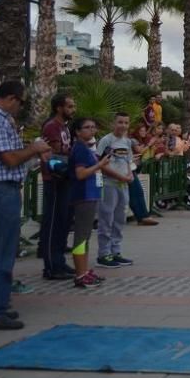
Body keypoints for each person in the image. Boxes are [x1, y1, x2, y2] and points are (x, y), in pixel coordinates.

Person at [0, 81, 52, 330]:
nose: (21, 107)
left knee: (4, 252)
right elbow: (10, 159)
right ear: (12, 98)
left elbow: (12, 160)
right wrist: (33, 148)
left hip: (2, 189)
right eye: (22, 102)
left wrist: (33, 155)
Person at [68, 117, 110, 289]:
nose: (91, 130)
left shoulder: (86, 148)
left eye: (93, 127)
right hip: (83, 195)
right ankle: (80, 274)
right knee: (81, 236)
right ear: (77, 131)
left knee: (85, 236)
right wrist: (100, 165)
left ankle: (84, 270)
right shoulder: (80, 149)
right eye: (87, 127)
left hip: (91, 195)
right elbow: (80, 174)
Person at [38, 93, 76, 281]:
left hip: (65, 178)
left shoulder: (65, 127)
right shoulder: (52, 126)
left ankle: (59, 260)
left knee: (64, 222)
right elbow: (54, 152)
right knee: (53, 222)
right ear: (59, 108)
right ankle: (51, 266)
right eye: (69, 106)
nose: (73, 110)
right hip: (54, 179)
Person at [96, 112, 136, 270]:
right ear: (113, 123)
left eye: (126, 122)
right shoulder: (106, 140)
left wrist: (129, 175)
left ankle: (115, 251)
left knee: (120, 219)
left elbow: (128, 162)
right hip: (109, 184)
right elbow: (101, 163)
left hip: (123, 185)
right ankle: (103, 253)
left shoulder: (127, 142)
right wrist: (119, 176)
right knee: (106, 218)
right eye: (120, 122)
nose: (123, 126)